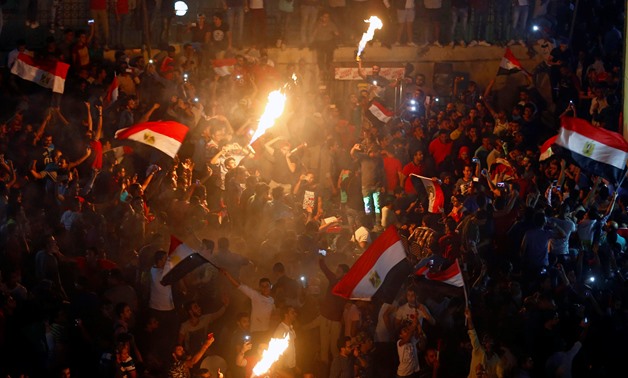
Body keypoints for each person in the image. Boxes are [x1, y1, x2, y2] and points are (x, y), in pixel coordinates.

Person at [221, 269, 275, 342]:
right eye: (262, 286)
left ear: (270, 286)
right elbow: (239, 286)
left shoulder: (272, 300)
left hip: (267, 332)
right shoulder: (255, 295)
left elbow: (273, 314)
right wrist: (227, 275)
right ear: (260, 288)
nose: (265, 288)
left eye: (267, 286)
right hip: (256, 333)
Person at [464, 308, 499, 378]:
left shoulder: (496, 358)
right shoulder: (478, 350)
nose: (485, 340)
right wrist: (469, 318)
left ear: (492, 341)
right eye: (484, 338)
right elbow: (472, 332)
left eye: (487, 338)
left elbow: (499, 374)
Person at [273, 306, 298, 376]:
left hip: (290, 366)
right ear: (286, 315)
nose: (295, 314)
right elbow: (277, 352)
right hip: (284, 368)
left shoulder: (291, 328)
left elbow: (292, 348)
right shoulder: (281, 330)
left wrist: (295, 366)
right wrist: (280, 370)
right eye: (292, 313)